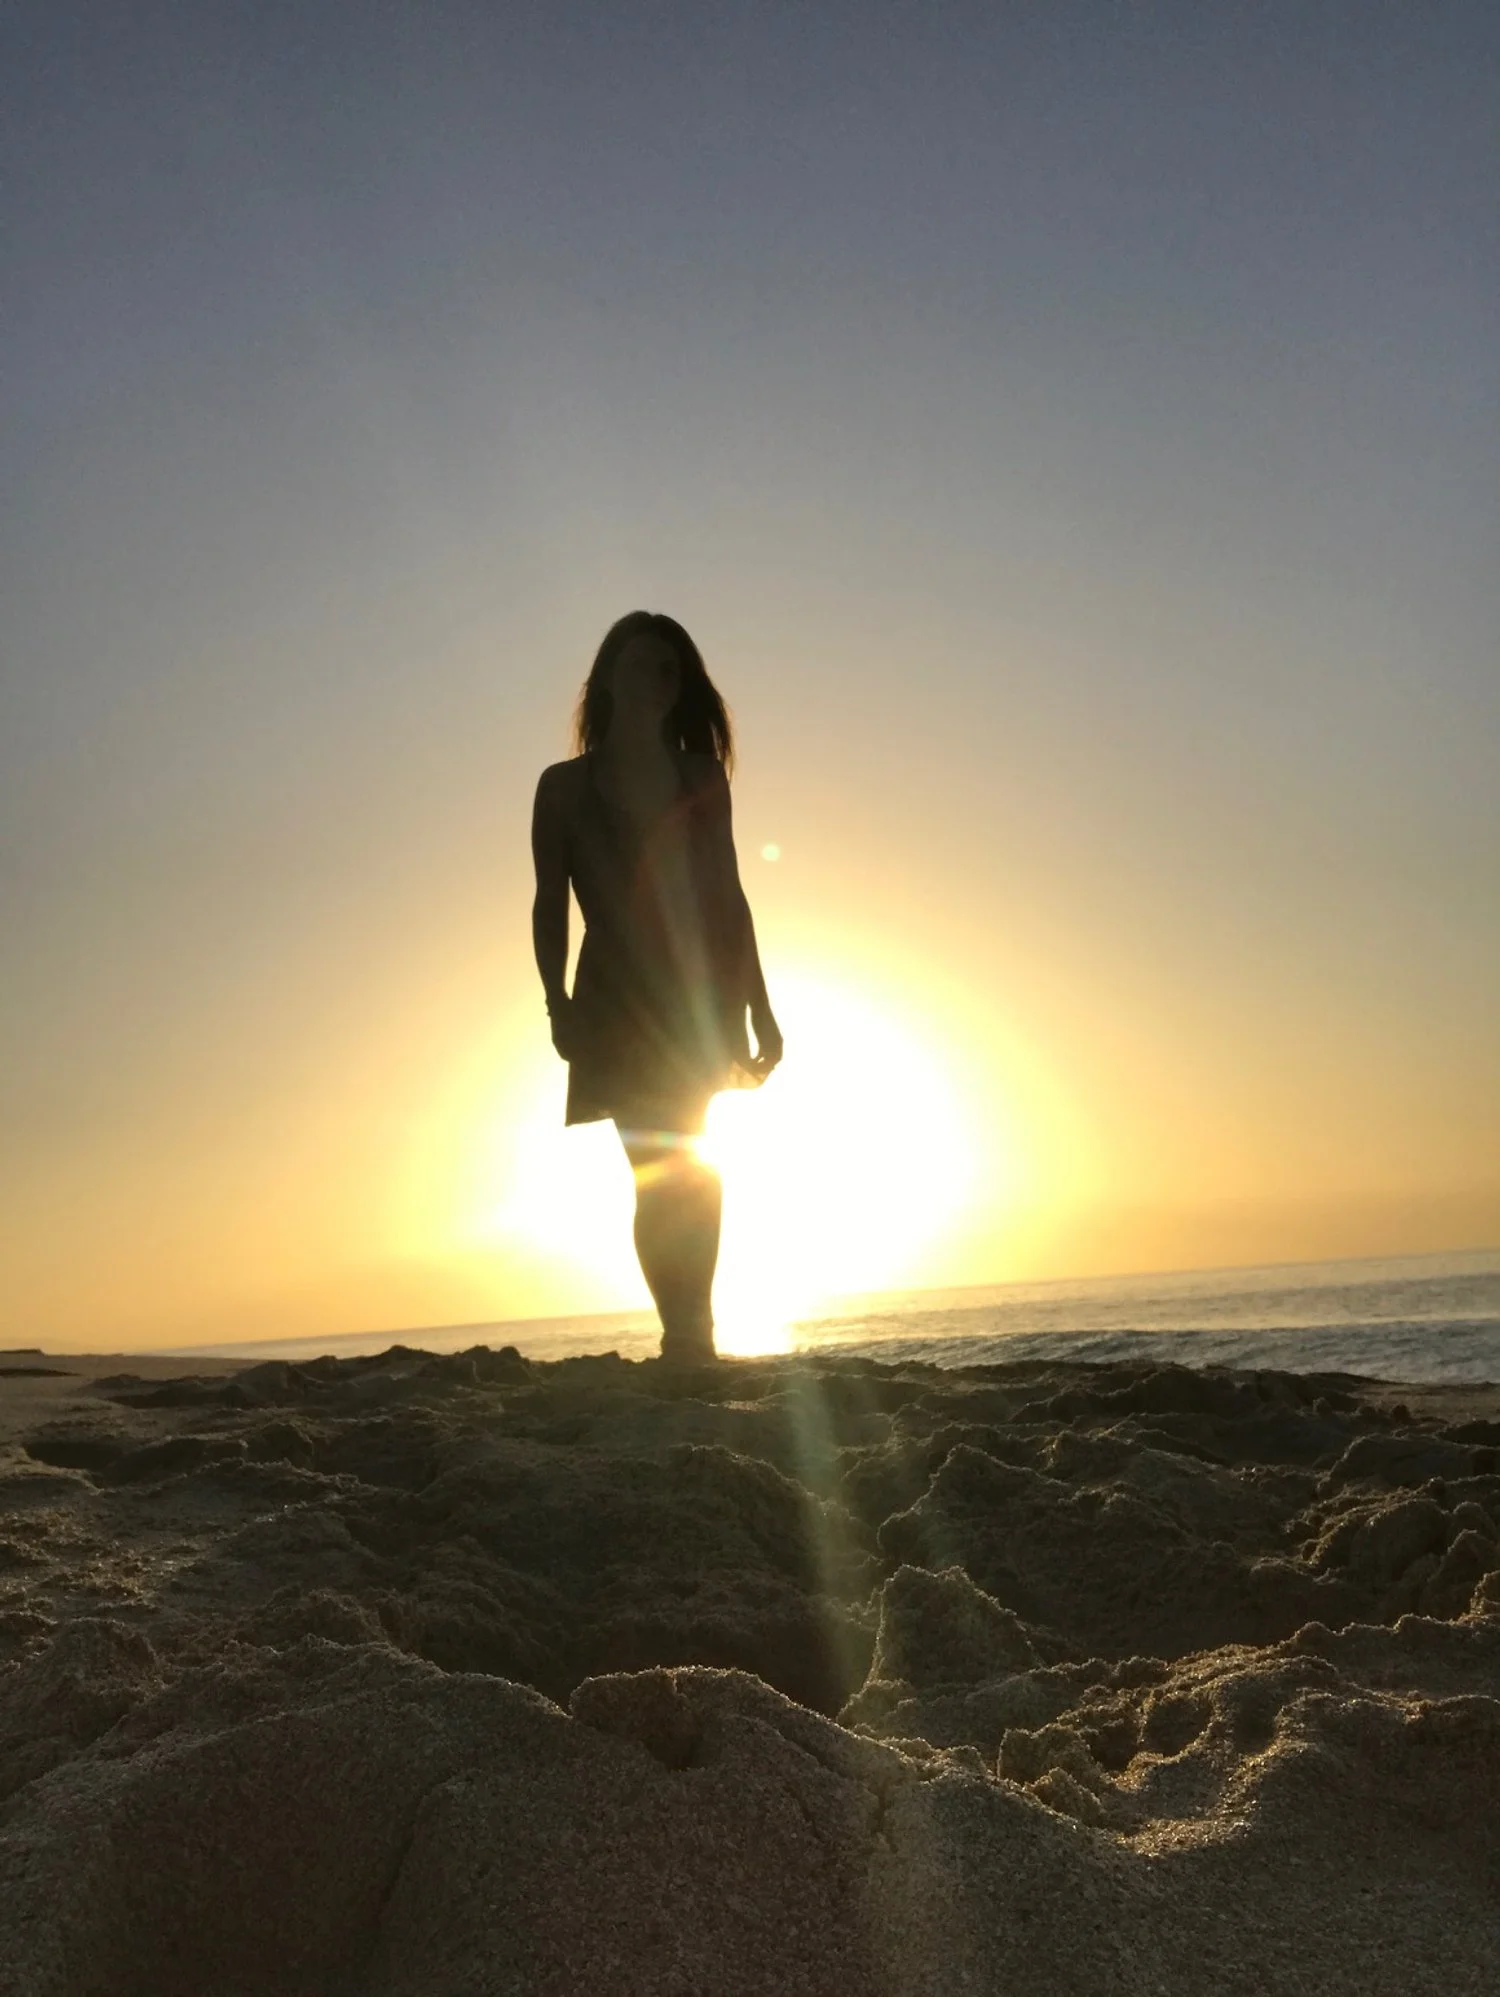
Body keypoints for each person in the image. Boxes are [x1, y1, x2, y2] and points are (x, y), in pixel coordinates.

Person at [530, 611, 783, 1365]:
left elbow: (730, 895)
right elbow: (550, 902)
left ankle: (692, 1332)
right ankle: (683, 1330)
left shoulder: (701, 777)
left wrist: (760, 1005)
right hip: (613, 997)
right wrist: (557, 1002)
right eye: (639, 666)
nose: (653, 682)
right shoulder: (564, 787)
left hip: (694, 995)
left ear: (682, 689)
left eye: (668, 671)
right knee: (654, 1173)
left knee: (694, 1162)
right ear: (608, 677)